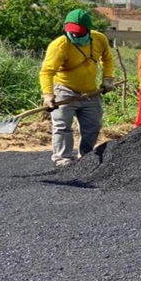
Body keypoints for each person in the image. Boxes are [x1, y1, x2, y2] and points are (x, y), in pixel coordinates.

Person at [39, 9, 115, 167]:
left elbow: (107, 59)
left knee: (93, 126)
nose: (74, 36)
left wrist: (107, 79)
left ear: (88, 30)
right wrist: (48, 95)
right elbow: (47, 71)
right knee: (62, 125)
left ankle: (85, 157)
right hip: (65, 90)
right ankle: (63, 159)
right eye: (71, 33)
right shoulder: (59, 45)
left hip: (90, 91)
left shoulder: (99, 39)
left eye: (79, 34)